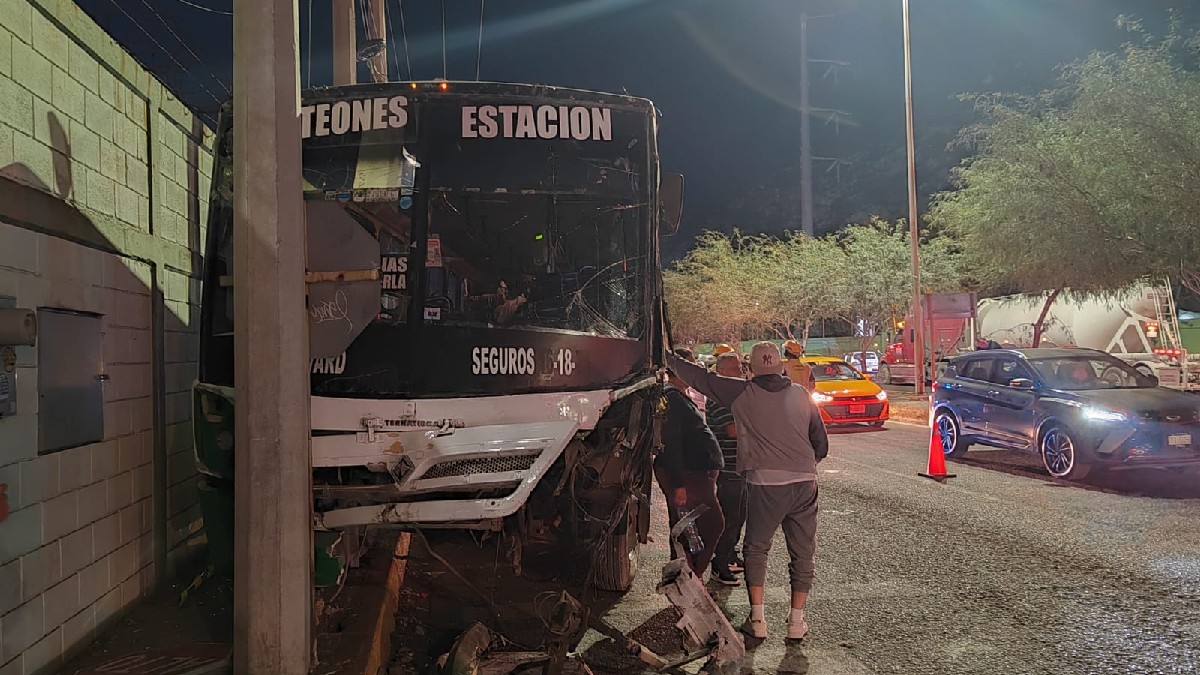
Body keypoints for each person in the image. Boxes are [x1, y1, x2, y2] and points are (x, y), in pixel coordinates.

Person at [667, 341, 829, 641]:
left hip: (766, 483)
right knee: (803, 552)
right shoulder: (801, 393)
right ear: (781, 366)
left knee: (757, 548)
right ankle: (796, 622)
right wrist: (803, 463)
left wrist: (665, 357)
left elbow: (699, 378)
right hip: (805, 480)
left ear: (750, 370)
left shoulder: (742, 392)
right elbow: (821, 443)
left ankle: (757, 619)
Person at [657, 352, 726, 576]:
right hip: (689, 474)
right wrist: (678, 485)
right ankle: (689, 581)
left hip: (694, 473)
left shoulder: (678, 396)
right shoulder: (673, 398)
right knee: (706, 527)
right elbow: (672, 442)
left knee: (690, 530)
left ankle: (688, 580)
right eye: (691, 367)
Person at [706, 352, 748, 586]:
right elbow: (733, 431)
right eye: (734, 369)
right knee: (730, 519)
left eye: (740, 368)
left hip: (740, 468)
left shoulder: (734, 398)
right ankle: (719, 564)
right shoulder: (720, 399)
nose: (740, 373)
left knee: (739, 516)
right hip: (730, 469)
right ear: (721, 373)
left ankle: (730, 555)